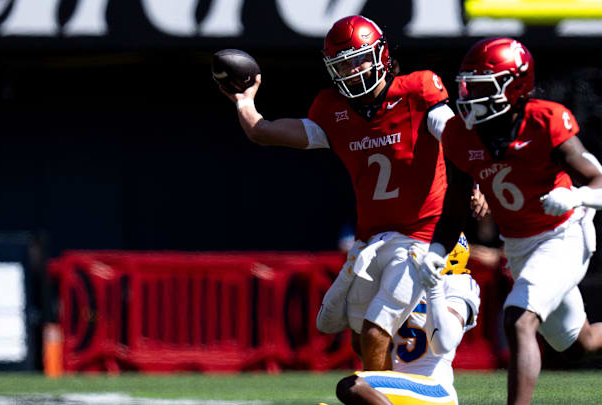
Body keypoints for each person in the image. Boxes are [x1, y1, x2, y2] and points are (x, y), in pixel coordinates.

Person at [217, 14, 481, 371]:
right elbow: (264, 132)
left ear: (382, 56)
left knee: (376, 332)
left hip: (422, 236)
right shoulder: (333, 110)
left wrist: (475, 178)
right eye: (342, 65)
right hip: (372, 241)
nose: (353, 71)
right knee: (359, 336)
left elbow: (454, 134)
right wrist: (243, 101)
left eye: (358, 59)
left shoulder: (417, 90)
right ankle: (386, 394)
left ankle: (376, 392)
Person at [415, 37, 602, 405]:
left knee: (519, 318)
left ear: (514, 86)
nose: (468, 96)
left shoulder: (545, 119)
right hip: (519, 245)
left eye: (481, 87)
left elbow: (598, 178)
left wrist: (576, 195)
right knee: (579, 344)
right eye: (467, 85)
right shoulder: (460, 134)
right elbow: (455, 207)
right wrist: (437, 249)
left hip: (564, 233)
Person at [334, 234, 480, 405]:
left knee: (352, 386)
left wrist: (433, 285)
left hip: (434, 390)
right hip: (395, 389)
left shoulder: (458, 283)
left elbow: (443, 343)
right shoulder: (393, 281)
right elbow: (360, 341)